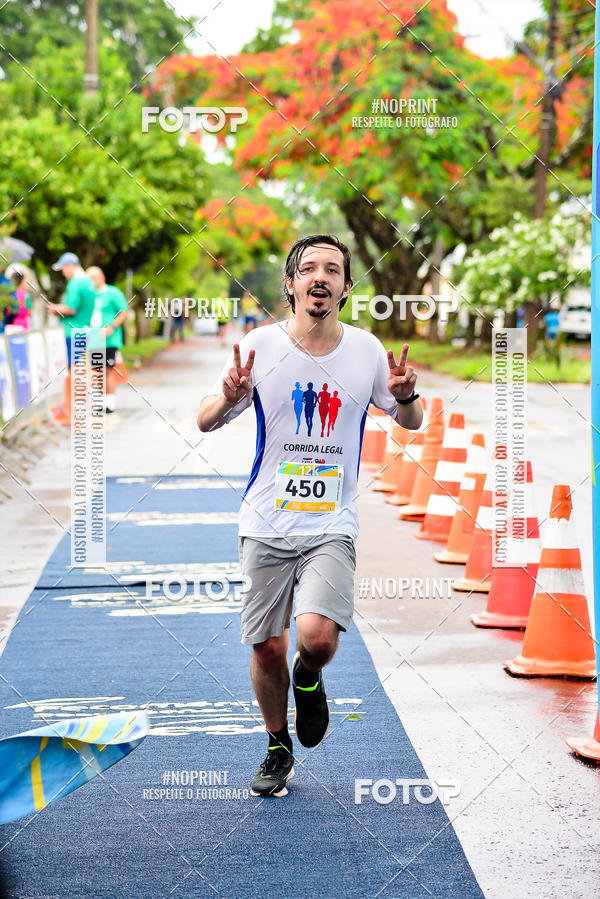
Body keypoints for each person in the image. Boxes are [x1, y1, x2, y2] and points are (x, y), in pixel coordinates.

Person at [197, 234, 422, 798]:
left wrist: (406, 396)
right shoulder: (261, 346)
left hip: (331, 524)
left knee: (315, 639)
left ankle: (309, 674)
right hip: (265, 520)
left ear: (346, 287)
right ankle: (277, 745)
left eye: (333, 270)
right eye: (309, 269)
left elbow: (410, 421)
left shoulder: (367, 351)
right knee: (266, 645)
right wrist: (228, 396)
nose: (320, 277)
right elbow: (204, 419)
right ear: (292, 283)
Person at [86, 266, 131, 413]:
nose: (92, 280)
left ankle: (109, 403)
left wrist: (111, 327)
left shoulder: (112, 293)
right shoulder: (89, 296)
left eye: (94, 277)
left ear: (102, 277)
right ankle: (98, 403)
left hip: (109, 339)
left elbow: (124, 312)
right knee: (97, 370)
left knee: (107, 370)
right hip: (94, 338)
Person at [49, 253, 95, 369]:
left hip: (73, 332)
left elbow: (71, 309)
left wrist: (55, 309)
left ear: (70, 266)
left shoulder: (75, 283)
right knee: (85, 368)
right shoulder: (89, 282)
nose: (63, 272)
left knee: (75, 370)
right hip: (87, 330)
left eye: (63, 268)